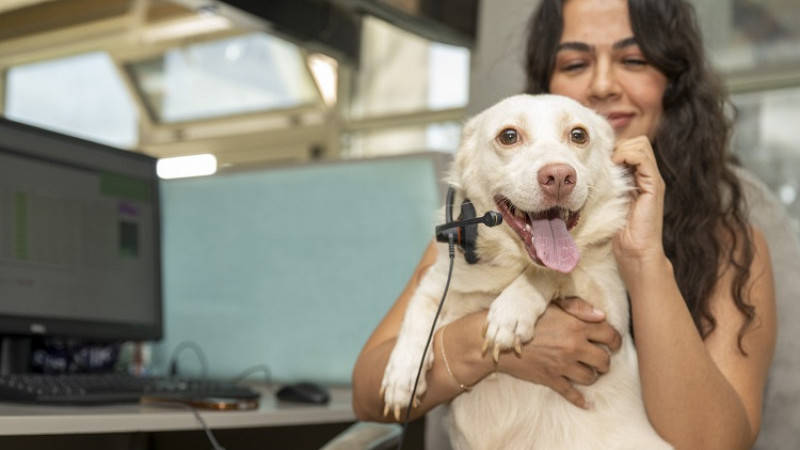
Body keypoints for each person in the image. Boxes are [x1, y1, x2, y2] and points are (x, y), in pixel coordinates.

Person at [352, 0, 777, 448]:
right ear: (547, 80)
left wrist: (645, 260)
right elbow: (368, 397)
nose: (602, 84)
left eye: (633, 60)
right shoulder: (474, 232)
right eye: (576, 63)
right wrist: (490, 346)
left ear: (673, 81)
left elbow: (717, 443)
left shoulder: (729, 244)